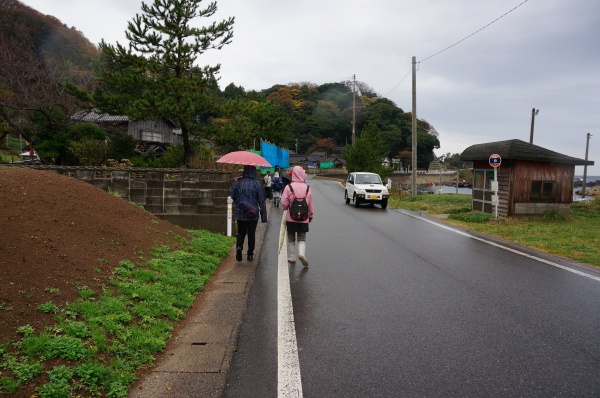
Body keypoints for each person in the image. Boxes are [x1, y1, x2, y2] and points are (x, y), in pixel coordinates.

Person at [231, 165, 267, 262]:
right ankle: (250, 254)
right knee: (251, 234)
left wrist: (239, 201)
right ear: (254, 171)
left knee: (241, 233)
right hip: (253, 214)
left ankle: (239, 247)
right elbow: (261, 201)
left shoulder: (238, 182)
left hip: (241, 213)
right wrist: (264, 217)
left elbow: (232, 195)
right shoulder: (257, 184)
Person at [280, 166, 314, 266]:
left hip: (291, 217)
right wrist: (310, 216)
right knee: (302, 237)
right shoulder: (308, 188)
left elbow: (283, 202)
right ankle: (302, 254)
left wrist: (286, 208)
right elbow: (310, 204)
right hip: (304, 218)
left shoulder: (288, 187)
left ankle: (292, 256)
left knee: (291, 236)